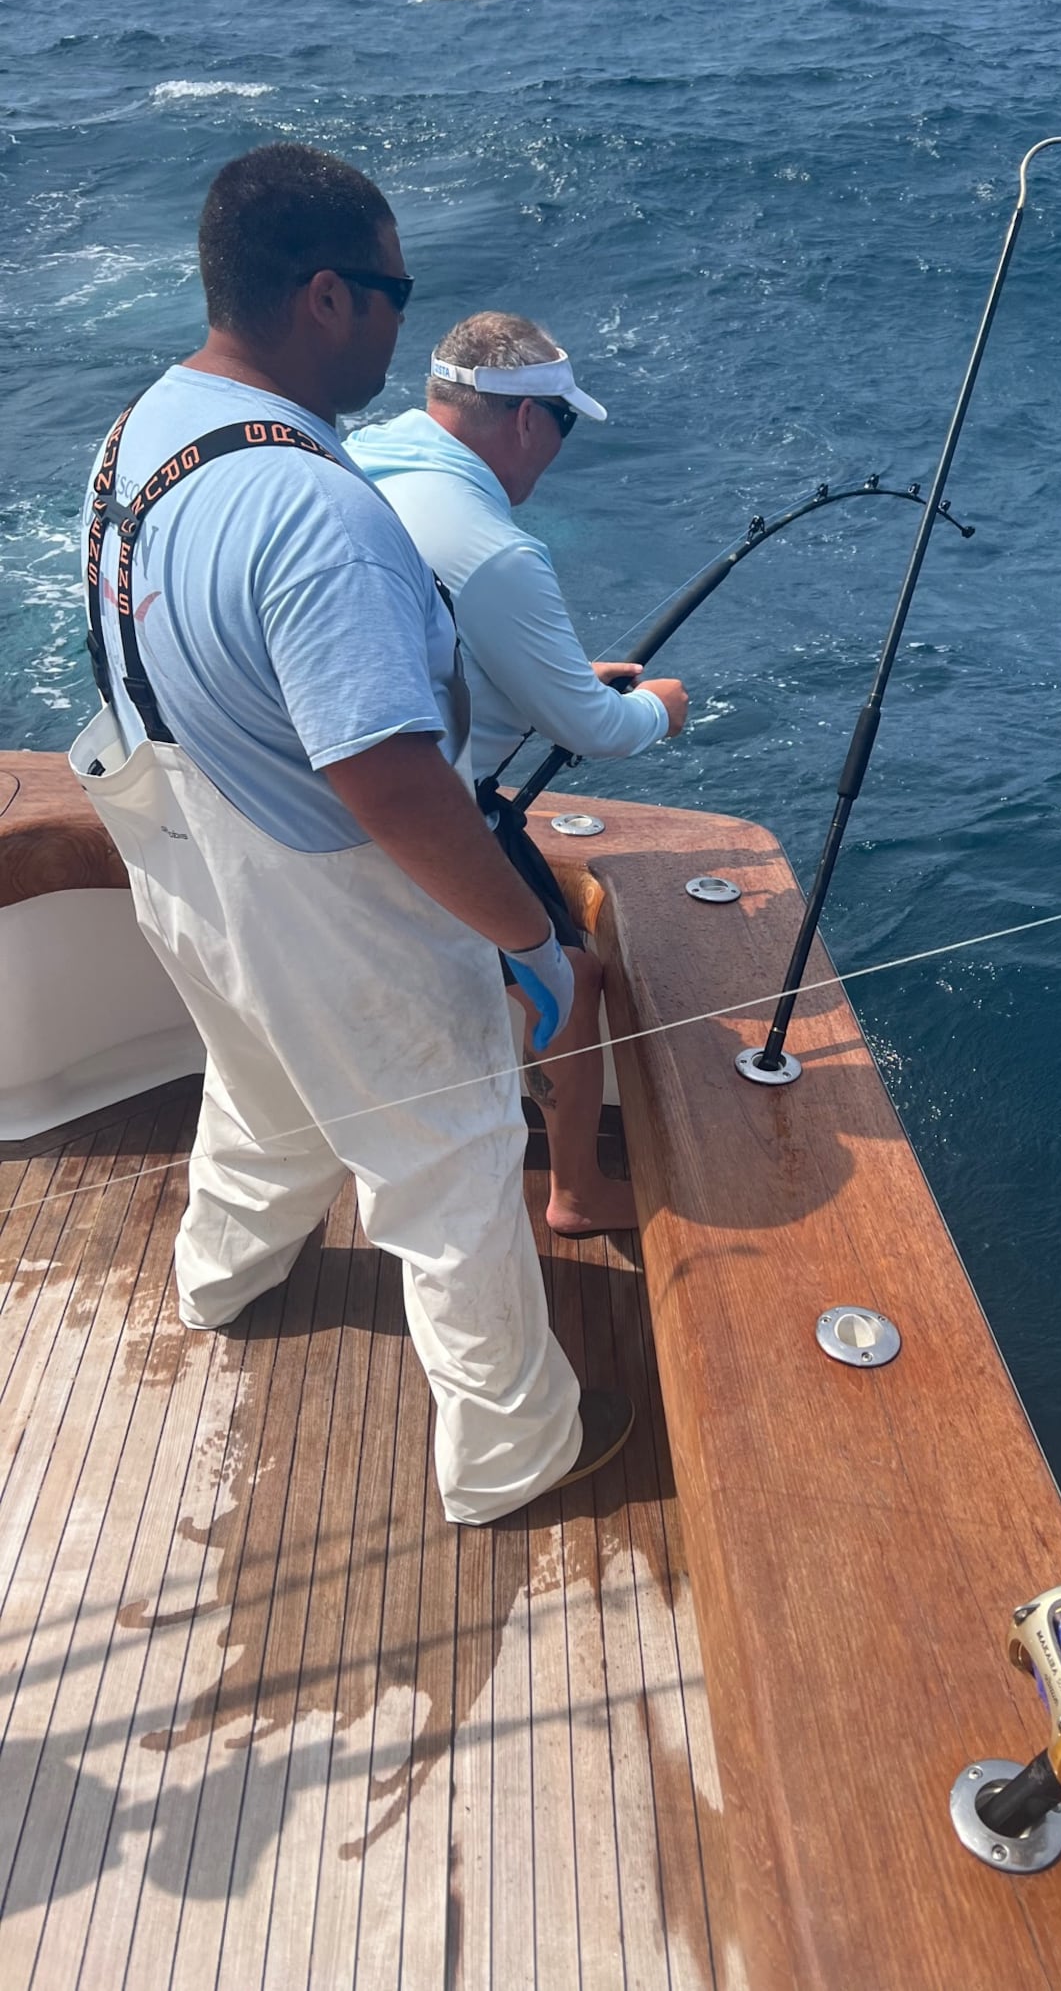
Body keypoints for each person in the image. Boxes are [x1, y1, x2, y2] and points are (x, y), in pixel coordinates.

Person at [68, 142, 632, 1525]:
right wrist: (523, 939)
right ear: (326, 296)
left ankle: (223, 1278)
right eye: (391, 290)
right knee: (445, 1166)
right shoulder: (321, 515)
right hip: (321, 895)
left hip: (174, 842)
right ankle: (512, 1457)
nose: (399, 318)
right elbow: (384, 777)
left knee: (261, 1084)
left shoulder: (145, 421)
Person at [347, 312, 690, 1238]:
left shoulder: (362, 457)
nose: (557, 450)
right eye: (564, 425)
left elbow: (447, 643)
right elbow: (595, 728)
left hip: (334, 796)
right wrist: (660, 703)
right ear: (530, 422)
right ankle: (574, 1192)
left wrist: (571, 678)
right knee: (572, 982)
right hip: (423, 826)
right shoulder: (499, 552)